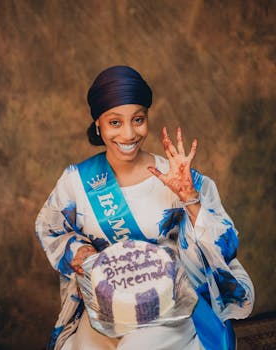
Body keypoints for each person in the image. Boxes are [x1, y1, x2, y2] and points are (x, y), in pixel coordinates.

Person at [35, 66, 254, 350]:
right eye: (115, 123)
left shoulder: (176, 177)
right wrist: (78, 250)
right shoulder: (76, 181)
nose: (128, 134)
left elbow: (224, 248)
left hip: (171, 308)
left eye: (138, 120)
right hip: (109, 309)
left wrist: (190, 197)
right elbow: (51, 229)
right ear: (98, 124)